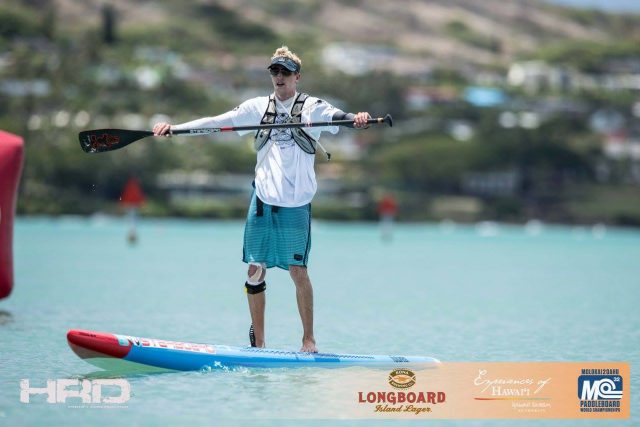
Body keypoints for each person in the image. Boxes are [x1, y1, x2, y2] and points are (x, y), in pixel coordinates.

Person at [153, 46, 371, 352]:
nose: (279, 77)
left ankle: (308, 340)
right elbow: (218, 121)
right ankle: (260, 345)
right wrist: (175, 129)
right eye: (274, 72)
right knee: (255, 269)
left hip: (296, 203)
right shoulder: (257, 108)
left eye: (284, 72)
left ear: (297, 76)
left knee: (299, 272)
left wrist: (356, 118)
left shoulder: (312, 108)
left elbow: (341, 117)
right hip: (263, 198)